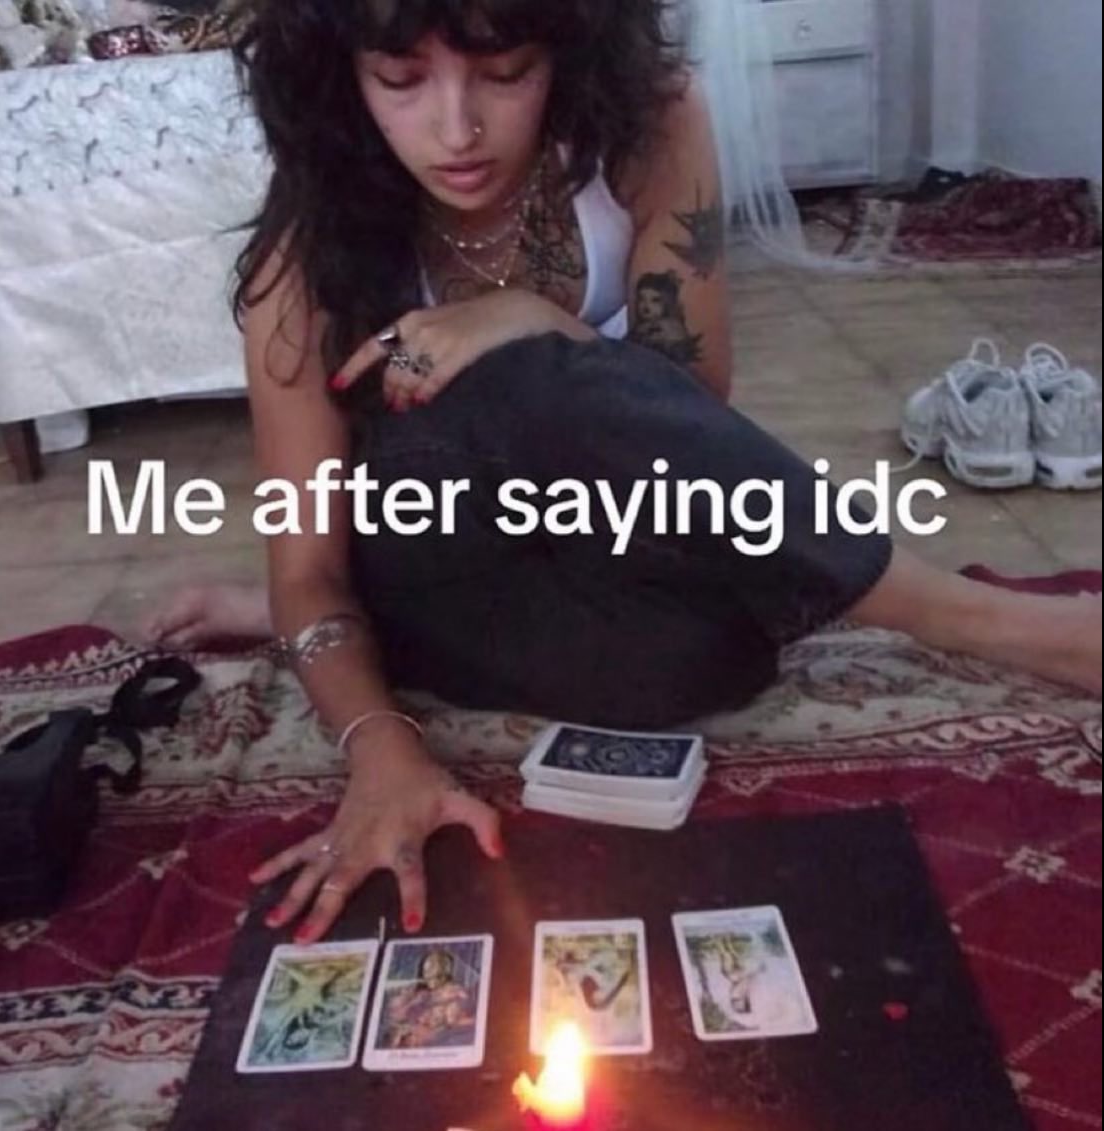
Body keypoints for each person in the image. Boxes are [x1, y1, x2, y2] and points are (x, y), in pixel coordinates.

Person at [144, 0, 1101, 946]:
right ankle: (984, 619)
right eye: (400, 81)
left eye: (506, 73)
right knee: (524, 382)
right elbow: (308, 567)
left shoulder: (652, 126)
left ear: (568, 47)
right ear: (343, 77)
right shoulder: (304, 253)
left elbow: (687, 411)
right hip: (429, 538)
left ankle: (382, 616)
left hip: (592, 534)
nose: (456, 128)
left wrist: (531, 314)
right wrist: (381, 749)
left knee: (713, 661)